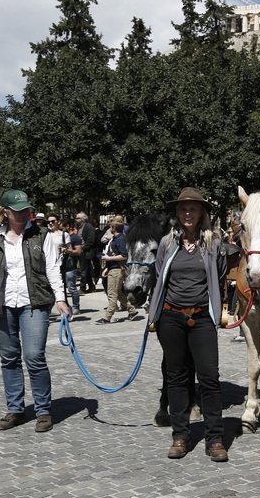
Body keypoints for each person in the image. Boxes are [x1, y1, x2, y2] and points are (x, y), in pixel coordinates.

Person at [0, 189, 72, 432]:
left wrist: (60, 299)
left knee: (34, 356)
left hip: (33, 303)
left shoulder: (41, 235)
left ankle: (43, 411)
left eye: (26, 209)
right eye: (17, 211)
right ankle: (15, 410)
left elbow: (52, 268)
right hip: (1, 304)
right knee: (9, 359)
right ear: (5, 212)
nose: (23, 214)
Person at [148, 187, 228, 462]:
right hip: (171, 317)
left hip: (202, 317)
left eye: (193, 208)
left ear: (201, 212)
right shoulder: (167, 243)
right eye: (183, 209)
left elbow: (219, 276)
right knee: (177, 377)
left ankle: (215, 438)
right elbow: (160, 275)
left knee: (209, 377)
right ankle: (180, 435)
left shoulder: (213, 243)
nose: (188, 213)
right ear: (177, 212)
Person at [95, 216, 138, 325]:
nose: (109, 228)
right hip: (113, 268)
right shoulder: (116, 238)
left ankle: (107, 317)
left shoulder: (120, 239)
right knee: (118, 293)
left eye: (110, 226)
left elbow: (124, 256)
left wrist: (108, 259)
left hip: (117, 270)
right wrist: (107, 267)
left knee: (112, 294)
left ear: (113, 227)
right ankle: (132, 311)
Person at [61, 218, 82, 315]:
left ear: (67, 226)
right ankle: (66, 307)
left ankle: (76, 307)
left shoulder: (75, 238)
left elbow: (78, 251)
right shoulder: (60, 237)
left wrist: (68, 251)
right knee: (62, 289)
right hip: (61, 266)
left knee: (72, 288)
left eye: (62, 227)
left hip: (70, 266)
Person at [75, 212, 96, 292]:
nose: (76, 219)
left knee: (84, 270)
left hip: (85, 251)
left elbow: (91, 240)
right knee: (86, 270)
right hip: (80, 251)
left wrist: (83, 248)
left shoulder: (88, 227)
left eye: (78, 218)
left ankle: (82, 288)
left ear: (83, 219)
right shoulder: (78, 227)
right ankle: (91, 286)